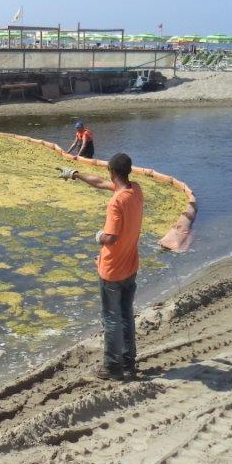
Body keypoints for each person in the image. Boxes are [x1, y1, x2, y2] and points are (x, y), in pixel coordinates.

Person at [59, 153, 144, 380]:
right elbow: (102, 183)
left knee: (111, 319)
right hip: (130, 266)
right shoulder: (135, 190)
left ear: (112, 171)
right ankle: (128, 363)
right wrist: (76, 175)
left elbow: (111, 237)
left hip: (112, 270)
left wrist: (98, 236)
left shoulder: (116, 202)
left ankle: (112, 367)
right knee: (126, 315)